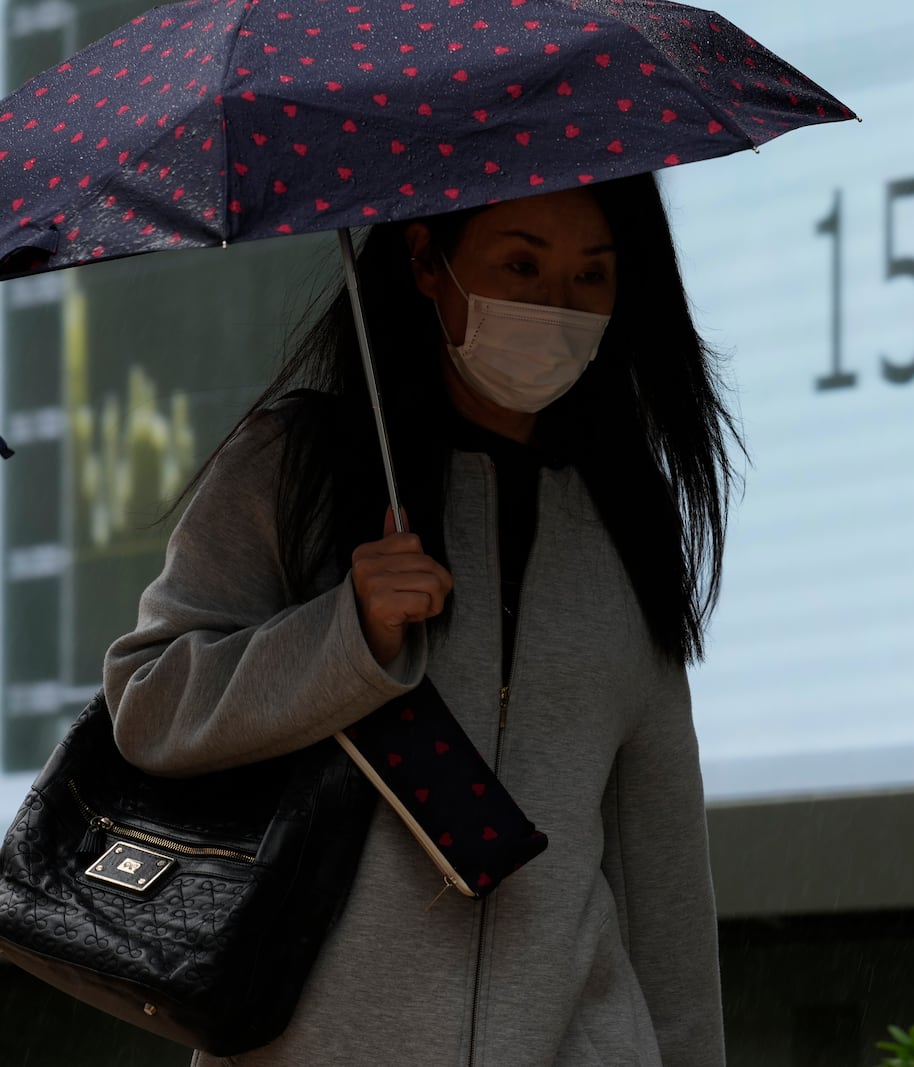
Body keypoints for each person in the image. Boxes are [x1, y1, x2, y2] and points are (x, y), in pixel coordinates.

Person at [102, 174, 735, 1067]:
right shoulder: (298, 469)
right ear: (425, 261)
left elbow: (660, 869)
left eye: (592, 277)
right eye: (520, 264)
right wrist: (345, 634)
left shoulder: (625, 519)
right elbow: (149, 701)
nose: (556, 309)